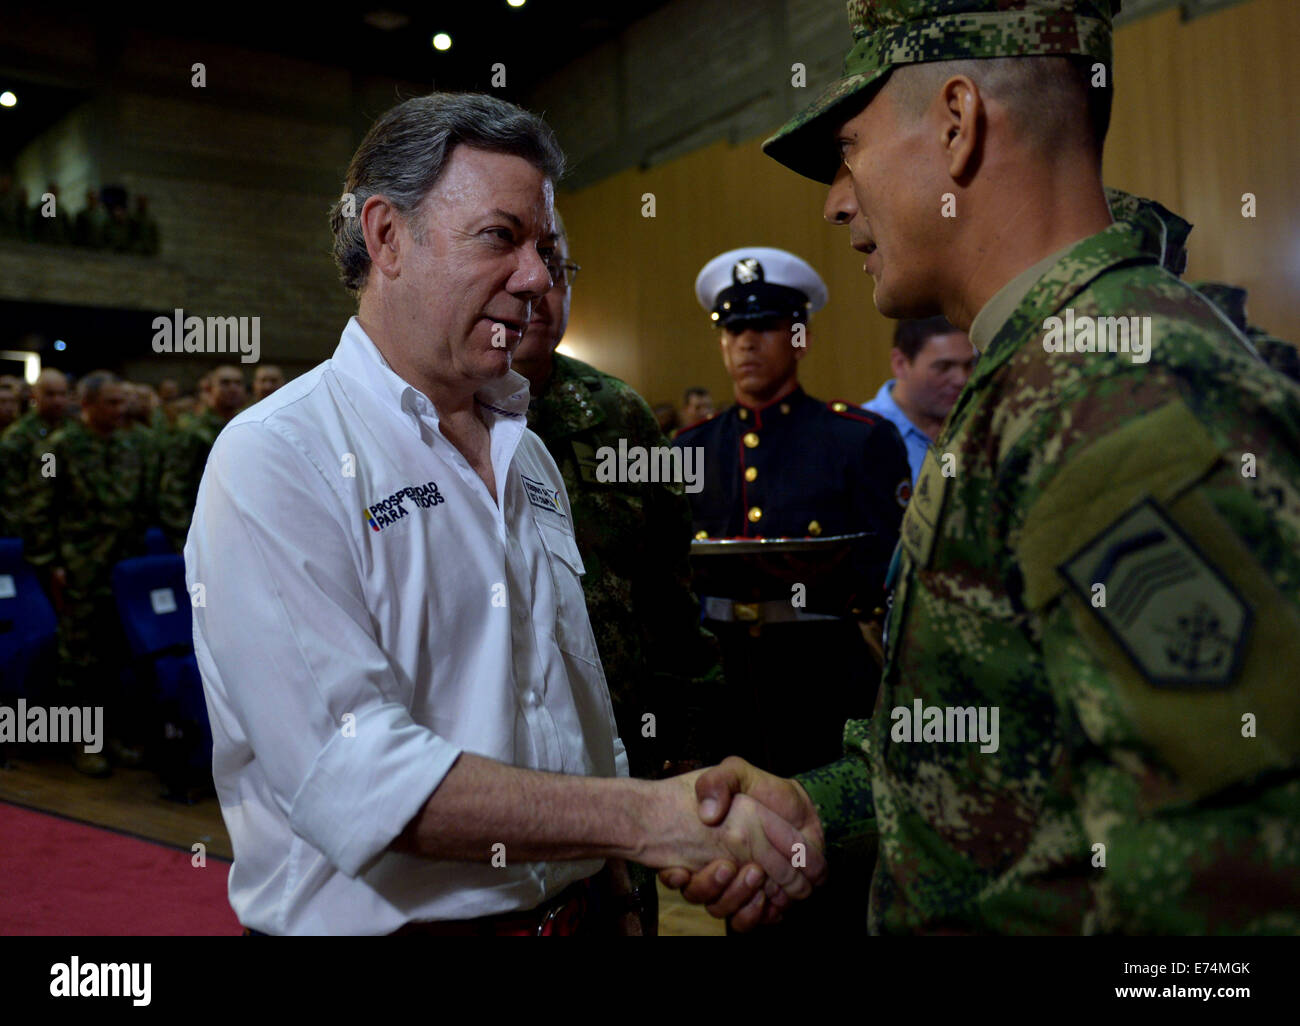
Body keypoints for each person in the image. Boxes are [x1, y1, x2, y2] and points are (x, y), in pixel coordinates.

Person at [666, 0, 1300, 935]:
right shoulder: (1041, 374)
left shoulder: (1117, 393)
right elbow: (1006, 749)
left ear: (957, 124)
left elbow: (1226, 883)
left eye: (850, 148)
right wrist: (821, 811)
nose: (837, 199)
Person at [185, 91, 822, 936]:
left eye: (546, 248)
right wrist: (652, 821)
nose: (535, 280)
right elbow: (358, 778)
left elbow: (568, 705)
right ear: (386, 237)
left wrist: (619, 884)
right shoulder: (278, 456)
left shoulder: (525, 446)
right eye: (500, 238)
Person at [510, 211, 727, 930]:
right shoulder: (453, 412)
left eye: (557, 267)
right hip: (504, 763)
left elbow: (669, 589)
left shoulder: (619, 414)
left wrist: (685, 746)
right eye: (519, 261)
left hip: (622, 752)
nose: (540, 288)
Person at [26, 372, 152, 776]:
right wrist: (51, 564)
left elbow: (140, 504)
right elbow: (38, 510)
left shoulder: (132, 444)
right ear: (89, 404)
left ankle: (111, 736)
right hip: (79, 568)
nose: (121, 410)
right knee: (80, 661)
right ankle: (83, 742)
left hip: (122, 568)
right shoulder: (57, 448)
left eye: (122, 402)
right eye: (111, 403)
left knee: (116, 655)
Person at [862, 316, 976, 483]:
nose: (961, 379)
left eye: (969, 365)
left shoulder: (979, 423)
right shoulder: (861, 436)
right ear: (900, 364)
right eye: (944, 367)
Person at [157, 365, 245, 548]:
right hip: (203, 529)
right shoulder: (193, 430)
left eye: (238, 383)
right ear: (208, 390)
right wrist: (184, 537)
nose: (233, 388)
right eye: (225, 383)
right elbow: (174, 485)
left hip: (239, 526)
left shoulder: (246, 425)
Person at [0, 368, 69, 539]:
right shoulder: (18, 436)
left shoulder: (72, 429)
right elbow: (11, 495)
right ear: (34, 396)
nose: (57, 401)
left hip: (66, 524)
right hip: (31, 528)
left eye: (62, 394)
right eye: (50, 394)